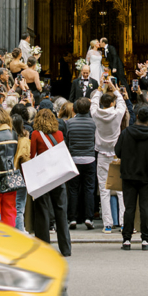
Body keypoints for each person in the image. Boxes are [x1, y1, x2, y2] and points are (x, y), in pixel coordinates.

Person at [114, 103, 148, 251]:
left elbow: (118, 151)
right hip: (146, 176)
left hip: (128, 175)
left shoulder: (126, 133)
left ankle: (126, 239)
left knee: (129, 208)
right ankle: (145, 240)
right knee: (145, 208)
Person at [30, 109, 71, 257]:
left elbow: (32, 155)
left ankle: (44, 247)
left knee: (42, 211)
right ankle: (66, 248)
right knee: (61, 211)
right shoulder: (59, 134)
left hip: (43, 177)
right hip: (58, 176)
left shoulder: (35, 134)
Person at [90, 84, 128, 233]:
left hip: (102, 154)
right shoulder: (117, 113)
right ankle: (123, 221)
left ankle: (108, 224)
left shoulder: (96, 114)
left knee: (104, 189)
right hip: (116, 153)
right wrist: (115, 89)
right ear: (112, 103)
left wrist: (99, 89)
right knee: (120, 189)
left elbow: (93, 103)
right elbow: (123, 104)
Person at [64, 97, 96, 230]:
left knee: (73, 189)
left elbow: (66, 141)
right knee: (89, 189)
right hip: (89, 158)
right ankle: (88, 217)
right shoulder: (94, 123)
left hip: (74, 158)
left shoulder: (69, 123)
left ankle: (72, 218)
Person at [11, 113, 30, 231]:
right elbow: (26, 158)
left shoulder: (7, 138)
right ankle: (20, 232)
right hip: (21, 177)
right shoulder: (25, 140)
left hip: (8, 176)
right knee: (19, 208)